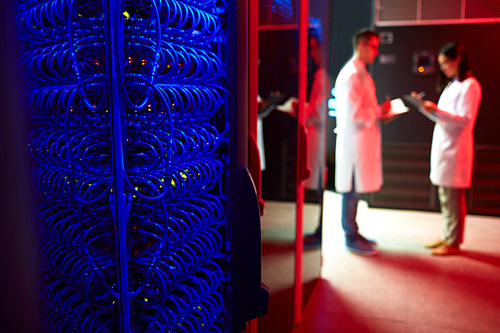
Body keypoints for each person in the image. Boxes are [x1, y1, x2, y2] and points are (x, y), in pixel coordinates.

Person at [412, 42, 482, 256]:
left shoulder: (470, 85)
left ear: (457, 60)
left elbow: (466, 120)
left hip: (456, 149)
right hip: (445, 146)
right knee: (445, 197)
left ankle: (454, 242)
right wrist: (425, 108)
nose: (442, 68)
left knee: (453, 197)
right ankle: (447, 235)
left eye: (445, 63)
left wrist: (438, 111)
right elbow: (441, 116)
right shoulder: (453, 85)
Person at [334, 29, 393, 256]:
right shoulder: (351, 75)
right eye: (374, 47)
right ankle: (350, 236)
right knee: (350, 191)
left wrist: (381, 113)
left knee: (355, 192)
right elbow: (354, 115)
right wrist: (379, 111)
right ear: (362, 46)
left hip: (361, 142)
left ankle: (354, 232)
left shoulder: (362, 74)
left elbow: (364, 111)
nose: (377, 52)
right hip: (353, 143)